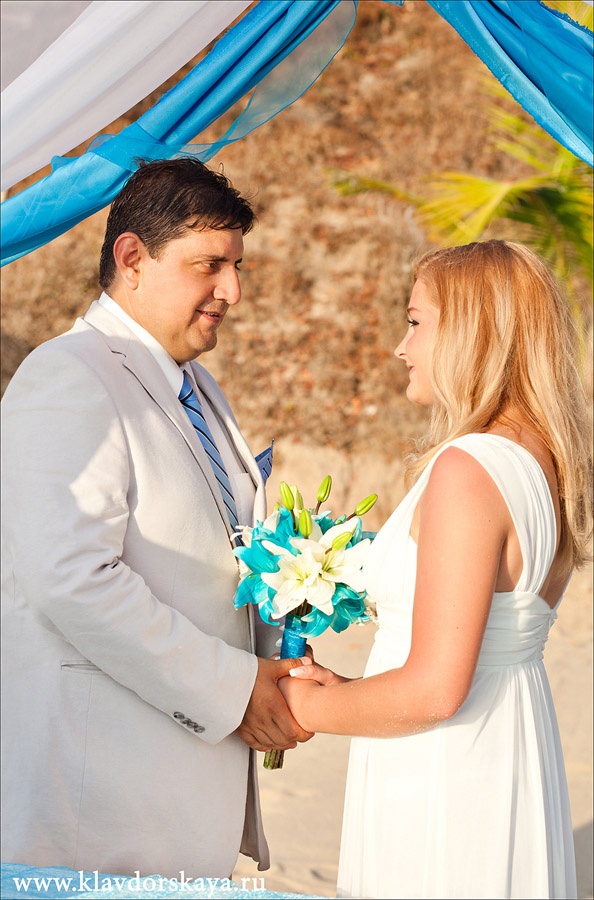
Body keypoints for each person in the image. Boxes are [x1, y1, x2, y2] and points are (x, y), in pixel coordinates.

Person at [0, 158, 313, 880]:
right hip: (99, 810)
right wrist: (235, 690)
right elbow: (71, 579)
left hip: (179, 796)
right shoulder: (68, 375)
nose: (233, 291)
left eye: (237, 266)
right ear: (133, 258)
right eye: (210, 266)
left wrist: (282, 658)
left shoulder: (199, 386)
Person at [279, 240, 593, 899]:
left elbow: (435, 691)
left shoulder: (469, 469)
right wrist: (351, 692)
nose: (402, 347)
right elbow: (474, 651)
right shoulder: (550, 463)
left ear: (471, 334)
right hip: (505, 751)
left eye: (416, 322)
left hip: (443, 775)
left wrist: (303, 705)